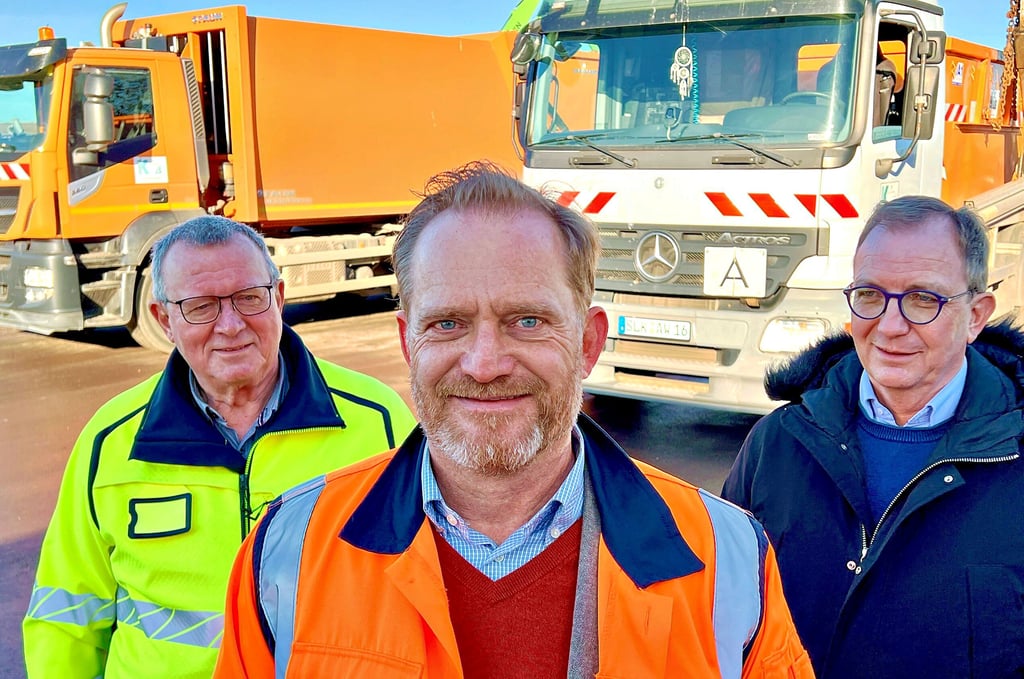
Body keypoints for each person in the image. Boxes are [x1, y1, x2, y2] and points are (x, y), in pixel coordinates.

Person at [213, 161, 812, 678]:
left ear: (587, 343)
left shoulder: (725, 559)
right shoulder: (288, 550)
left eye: (527, 321)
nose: (484, 364)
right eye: (447, 323)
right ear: (408, 343)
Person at [23, 216, 416, 679]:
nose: (230, 325)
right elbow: (66, 616)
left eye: (249, 298)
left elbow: (425, 588)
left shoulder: (378, 422)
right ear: (164, 320)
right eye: (201, 307)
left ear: (279, 298)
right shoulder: (111, 442)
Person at [722, 195, 1024, 677]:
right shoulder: (775, 444)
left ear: (976, 315)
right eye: (869, 295)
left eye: (923, 299)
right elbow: (721, 616)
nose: (890, 325)